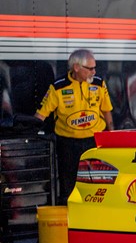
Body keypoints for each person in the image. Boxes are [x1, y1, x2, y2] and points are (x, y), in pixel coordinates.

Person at [34, 49, 114, 204]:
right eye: (90, 68)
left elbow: (107, 111)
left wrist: (112, 136)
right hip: (68, 144)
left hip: (94, 142)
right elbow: (41, 115)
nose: (94, 72)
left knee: (96, 184)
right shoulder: (58, 87)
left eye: (94, 68)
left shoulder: (98, 83)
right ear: (76, 67)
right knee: (68, 186)